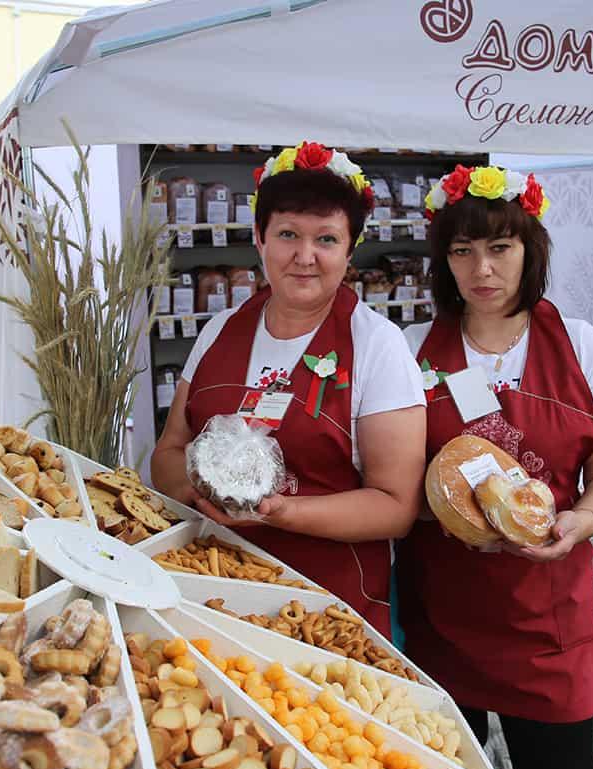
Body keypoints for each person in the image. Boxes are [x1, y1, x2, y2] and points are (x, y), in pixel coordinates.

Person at [396, 165, 593, 769]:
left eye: (500, 247)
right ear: (444, 260)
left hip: (548, 623)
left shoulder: (583, 347)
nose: (482, 269)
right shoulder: (410, 349)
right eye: (462, 251)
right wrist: (438, 508)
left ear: (531, 249)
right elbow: (388, 477)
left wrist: (579, 521)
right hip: (441, 618)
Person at [151, 142, 426, 635]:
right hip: (212, 594)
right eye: (287, 234)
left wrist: (281, 513)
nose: (304, 256)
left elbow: (395, 505)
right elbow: (169, 452)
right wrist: (203, 484)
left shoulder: (378, 345)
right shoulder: (220, 330)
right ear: (259, 238)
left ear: (350, 250)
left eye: (326, 239)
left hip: (327, 614)